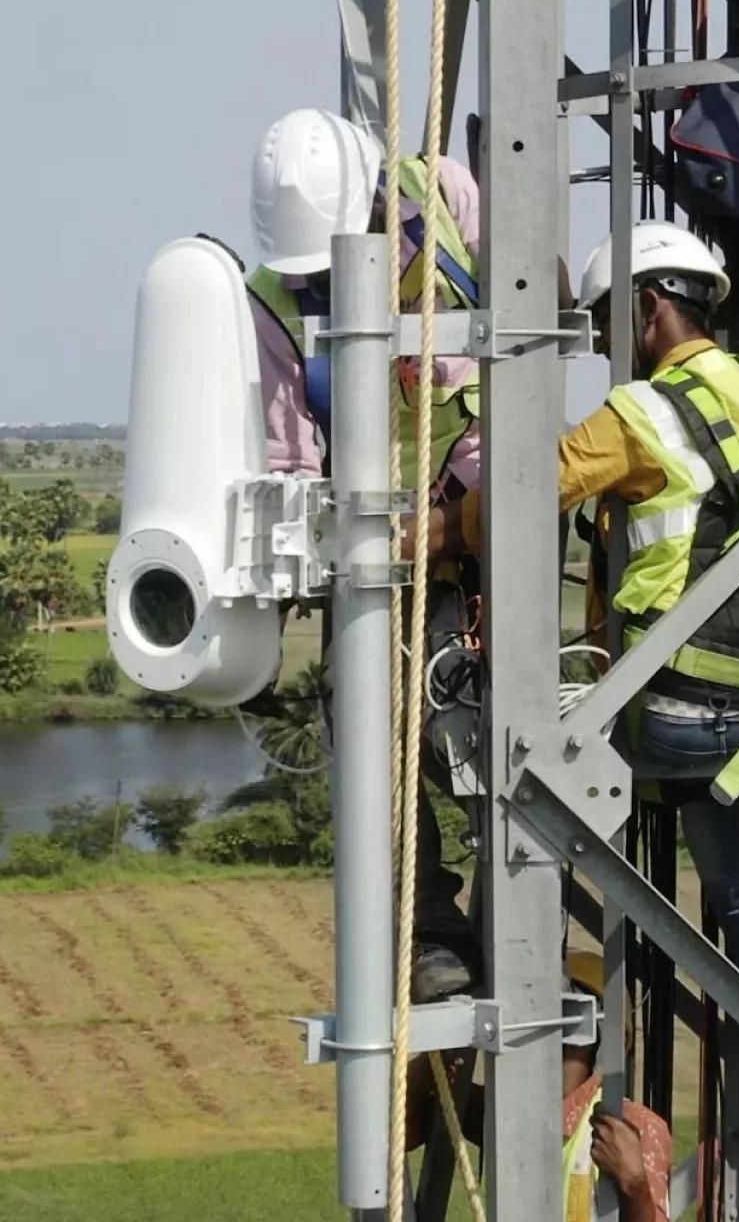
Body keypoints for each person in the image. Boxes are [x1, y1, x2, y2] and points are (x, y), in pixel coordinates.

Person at [435, 159, 739, 1032]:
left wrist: (425, 535)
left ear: (648, 311)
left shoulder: (633, 419)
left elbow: (521, 497)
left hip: (683, 718)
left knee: (689, 771)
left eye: (615, 323)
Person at [245, 106, 486, 1001]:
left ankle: (520, 908)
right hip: (374, 545)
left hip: (485, 518)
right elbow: (287, 459)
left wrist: (476, 516)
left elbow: (525, 321)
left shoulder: (447, 196)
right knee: (371, 739)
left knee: (486, 733)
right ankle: (431, 933)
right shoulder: (272, 299)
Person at [405, 952, 676, 1222]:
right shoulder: (511, 1114)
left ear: (606, 1043)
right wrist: (426, 1070)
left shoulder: (636, 1126)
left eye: (568, 1035)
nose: (553, 1049)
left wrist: (635, 1187)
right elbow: (402, 1135)